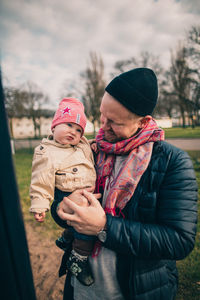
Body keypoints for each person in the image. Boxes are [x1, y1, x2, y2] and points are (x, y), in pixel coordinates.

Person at [51, 68, 198, 300]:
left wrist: (104, 227)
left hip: (136, 291)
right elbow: (58, 201)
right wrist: (61, 209)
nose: (103, 126)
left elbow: (179, 240)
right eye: (102, 115)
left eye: (114, 122)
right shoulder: (88, 151)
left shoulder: (173, 162)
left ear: (143, 122)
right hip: (80, 291)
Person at [29, 97, 99, 286]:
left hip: (86, 193)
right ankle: (78, 258)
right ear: (54, 126)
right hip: (66, 197)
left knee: (92, 212)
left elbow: (89, 144)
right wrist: (39, 205)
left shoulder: (81, 144)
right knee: (86, 218)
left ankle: (67, 237)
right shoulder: (47, 152)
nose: (73, 132)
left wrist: (92, 145)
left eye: (78, 130)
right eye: (69, 124)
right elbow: (40, 181)